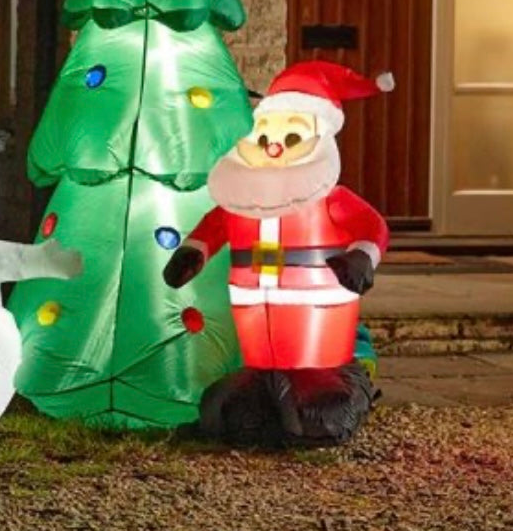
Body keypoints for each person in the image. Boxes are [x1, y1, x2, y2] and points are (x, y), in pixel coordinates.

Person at [164, 59, 393, 446]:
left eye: (291, 137)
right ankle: (263, 402)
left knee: (315, 413)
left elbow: (372, 227)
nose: (272, 147)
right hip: (258, 343)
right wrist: (193, 252)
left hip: (319, 343)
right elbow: (214, 227)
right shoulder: (241, 202)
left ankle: (340, 392)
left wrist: (362, 257)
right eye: (263, 137)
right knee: (224, 409)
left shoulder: (330, 200)